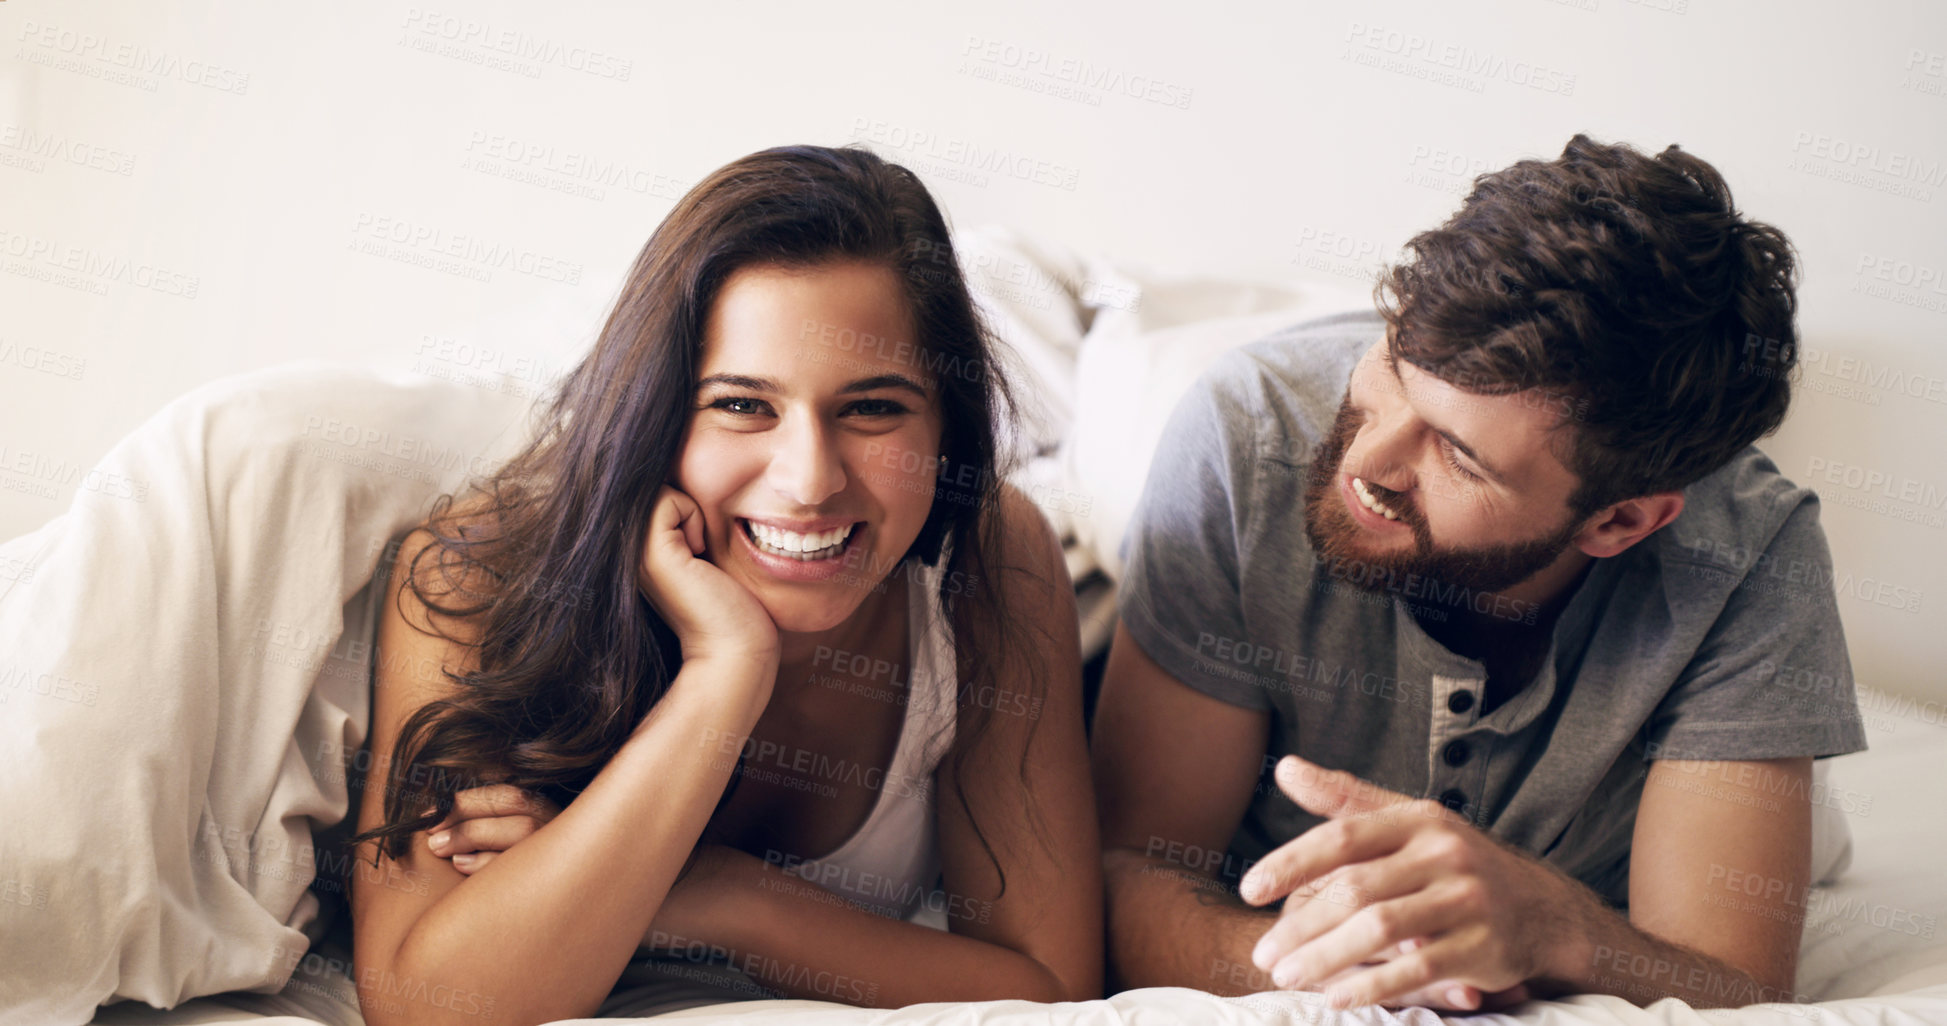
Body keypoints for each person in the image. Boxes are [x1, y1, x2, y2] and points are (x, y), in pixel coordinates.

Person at [1092, 134, 1866, 1012]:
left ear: (1619, 522)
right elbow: (1127, 868)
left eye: (1458, 455)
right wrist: (1332, 968)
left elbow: (1733, 984)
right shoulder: (1247, 430)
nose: (1369, 462)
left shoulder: (1754, 553)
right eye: (1392, 367)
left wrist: (1551, 924)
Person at [342, 144, 1101, 1026]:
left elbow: (1054, 997)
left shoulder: (990, 555)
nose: (810, 480)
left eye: (872, 408)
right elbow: (428, 1009)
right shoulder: (482, 569)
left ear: (944, 423)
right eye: (742, 405)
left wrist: (714, 897)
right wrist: (727, 664)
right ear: (652, 415)